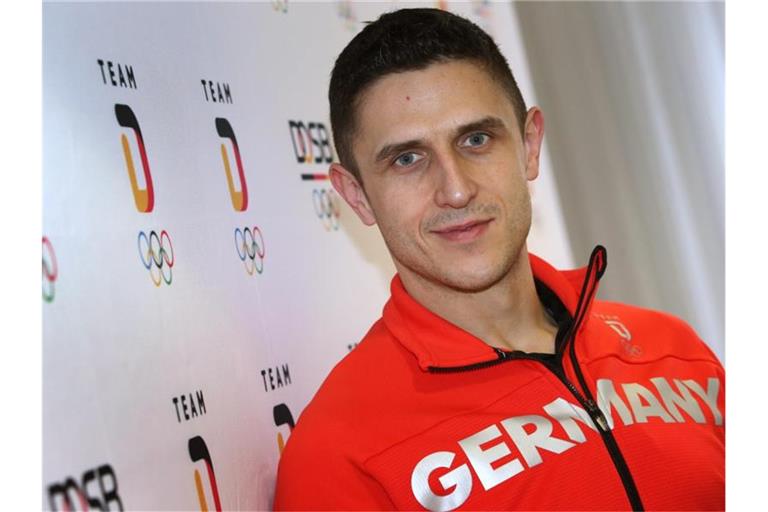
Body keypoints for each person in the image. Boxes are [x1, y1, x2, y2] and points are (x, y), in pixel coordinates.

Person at [274, 8, 724, 511]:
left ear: (529, 146)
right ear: (356, 195)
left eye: (476, 140)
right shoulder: (338, 454)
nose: (457, 189)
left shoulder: (673, 348)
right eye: (407, 159)